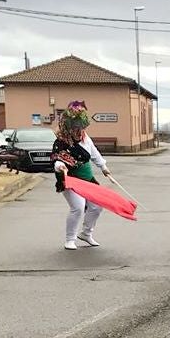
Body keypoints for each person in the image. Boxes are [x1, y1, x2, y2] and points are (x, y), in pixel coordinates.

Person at [52, 101, 112, 251]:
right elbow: (57, 159)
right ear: (69, 126)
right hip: (70, 179)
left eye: (81, 127)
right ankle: (70, 239)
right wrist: (60, 166)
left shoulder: (86, 138)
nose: (79, 131)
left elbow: (94, 153)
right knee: (78, 208)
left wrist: (103, 167)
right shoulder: (61, 142)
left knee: (97, 206)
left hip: (88, 179)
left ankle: (86, 233)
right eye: (76, 128)